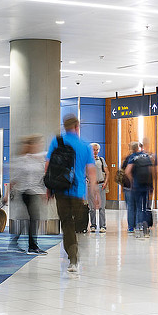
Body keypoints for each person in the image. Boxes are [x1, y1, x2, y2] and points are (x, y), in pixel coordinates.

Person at [46, 114, 98, 273]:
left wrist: (48, 188)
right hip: (78, 191)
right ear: (77, 127)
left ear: (65, 126)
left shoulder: (56, 141)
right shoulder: (85, 146)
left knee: (66, 223)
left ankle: (73, 258)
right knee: (76, 222)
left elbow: (48, 165)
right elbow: (91, 171)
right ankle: (74, 250)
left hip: (61, 189)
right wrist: (94, 192)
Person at [7, 135, 48, 255]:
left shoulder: (38, 158)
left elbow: (40, 178)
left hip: (34, 192)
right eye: (37, 144)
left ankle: (15, 242)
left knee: (28, 219)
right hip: (26, 192)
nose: (39, 146)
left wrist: (42, 192)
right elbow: (16, 178)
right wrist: (7, 194)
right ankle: (32, 246)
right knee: (33, 219)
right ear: (31, 145)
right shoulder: (23, 160)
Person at [124, 141, 154, 238]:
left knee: (132, 207)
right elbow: (151, 171)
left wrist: (132, 181)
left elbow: (127, 171)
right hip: (145, 185)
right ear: (139, 147)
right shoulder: (146, 156)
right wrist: (151, 185)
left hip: (135, 186)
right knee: (142, 207)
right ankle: (141, 227)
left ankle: (131, 228)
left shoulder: (131, 157)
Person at [89, 143, 108, 233]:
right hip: (91, 186)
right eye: (93, 150)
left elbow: (107, 172)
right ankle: (93, 225)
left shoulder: (101, 160)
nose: (95, 151)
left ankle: (102, 226)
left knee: (102, 206)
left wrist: (105, 182)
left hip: (101, 185)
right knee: (92, 207)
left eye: (96, 150)